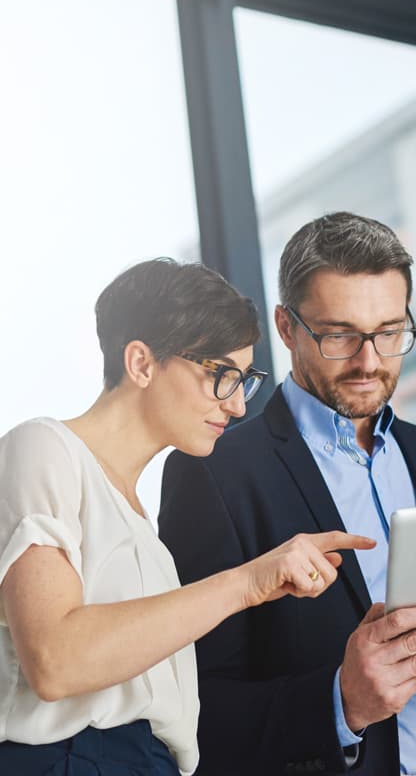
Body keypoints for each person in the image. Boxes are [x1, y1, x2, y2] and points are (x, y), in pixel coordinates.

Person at [159, 212, 416, 775]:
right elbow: (194, 713)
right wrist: (341, 701)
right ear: (286, 327)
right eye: (339, 335)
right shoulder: (214, 474)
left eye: (390, 332)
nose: (370, 361)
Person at [0, 258, 374, 775]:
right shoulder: (43, 448)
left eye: (247, 380)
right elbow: (54, 659)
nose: (239, 405)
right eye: (221, 375)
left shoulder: (140, 526)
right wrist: (247, 583)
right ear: (141, 364)